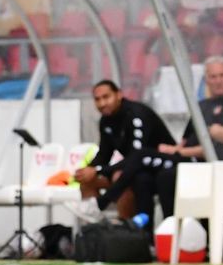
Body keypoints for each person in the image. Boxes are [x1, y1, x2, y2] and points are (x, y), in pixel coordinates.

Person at [73, 79, 177, 224]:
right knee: (88, 180)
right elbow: (104, 154)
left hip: (160, 168)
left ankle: (125, 228)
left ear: (119, 95)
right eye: (97, 99)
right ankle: (94, 228)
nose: (102, 103)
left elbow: (137, 157)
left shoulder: (137, 115)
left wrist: (97, 170)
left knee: (121, 176)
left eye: (106, 97)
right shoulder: (106, 121)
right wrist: (88, 170)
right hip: (133, 167)